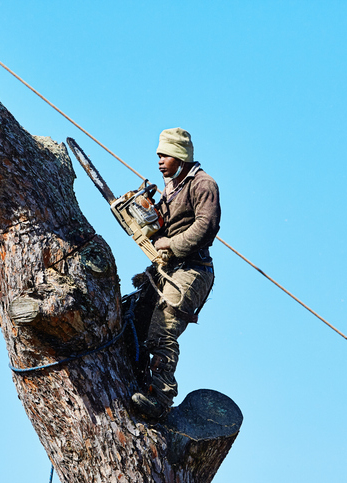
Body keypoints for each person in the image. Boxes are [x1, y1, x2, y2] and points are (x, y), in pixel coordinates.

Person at [130, 127, 221, 420]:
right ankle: (137, 376)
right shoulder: (170, 187)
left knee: (163, 328)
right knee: (133, 315)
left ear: (180, 156)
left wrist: (171, 244)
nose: (159, 161)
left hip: (193, 269)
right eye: (158, 155)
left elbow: (205, 227)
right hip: (166, 267)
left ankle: (160, 396)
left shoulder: (203, 184)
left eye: (165, 155)